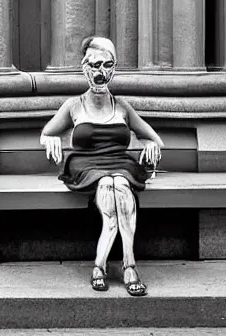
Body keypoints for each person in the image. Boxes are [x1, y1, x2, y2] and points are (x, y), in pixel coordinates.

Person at [40, 36, 163, 296]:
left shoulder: (122, 106)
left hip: (120, 163)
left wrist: (151, 144)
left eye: (107, 65)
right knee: (109, 185)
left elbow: (153, 137)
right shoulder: (74, 105)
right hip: (87, 164)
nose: (101, 72)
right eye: (95, 65)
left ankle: (115, 266)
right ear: (85, 67)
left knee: (121, 187)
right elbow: (47, 132)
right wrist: (49, 139)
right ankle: (115, 266)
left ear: (114, 68)